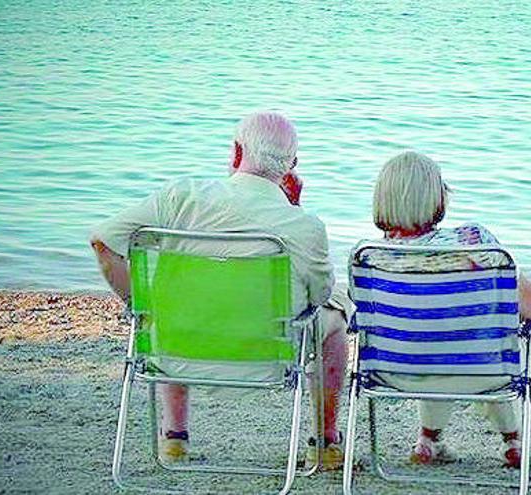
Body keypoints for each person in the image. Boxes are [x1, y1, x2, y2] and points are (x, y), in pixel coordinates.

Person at [90, 112, 348, 470]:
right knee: (336, 315)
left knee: (172, 301)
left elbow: (103, 243)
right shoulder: (304, 225)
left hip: (177, 351)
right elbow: (319, 295)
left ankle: (174, 439)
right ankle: (324, 443)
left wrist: (142, 308)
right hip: (265, 360)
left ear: (237, 152)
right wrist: (294, 210)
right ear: (292, 167)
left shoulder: (179, 197)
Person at [366, 151, 531, 468]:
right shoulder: (475, 242)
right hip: (483, 372)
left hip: (396, 372)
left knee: (428, 336)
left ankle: (427, 441)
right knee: (482, 338)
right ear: (436, 196)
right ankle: (513, 442)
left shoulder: (370, 258)